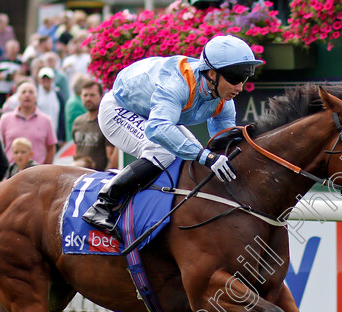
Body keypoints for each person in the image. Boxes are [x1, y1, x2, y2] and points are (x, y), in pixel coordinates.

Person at [82, 35, 261, 232]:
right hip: (118, 109)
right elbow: (158, 128)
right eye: (234, 79)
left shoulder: (224, 99)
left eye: (244, 79)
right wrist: (206, 156)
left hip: (151, 112)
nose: (240, 87)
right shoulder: (177, 84)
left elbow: (222, 142)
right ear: (211, 74)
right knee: (164, 151)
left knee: (193, 156)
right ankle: (102, 204)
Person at [0, 81, 56, 165]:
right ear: (17, 97)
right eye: (23, 92)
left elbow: (51, 148)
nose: (27, 95)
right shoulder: (5, 119)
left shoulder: (46, 120)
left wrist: (45, 170)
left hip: (37, 172)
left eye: (31, 92)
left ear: (36, 97)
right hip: (12, 172)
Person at [71, 80, 117, 171]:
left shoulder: (105, 122)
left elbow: (111, 158)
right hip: (78, 174)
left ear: (101, 97)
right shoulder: (78, 122)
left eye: (92, 95)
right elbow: (76, 152)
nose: (88, 98)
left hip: (98, 176)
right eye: (85, 95)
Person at [35, 67, 64, 142]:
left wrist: (62, 137)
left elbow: (61, 115)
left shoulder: (58, 94)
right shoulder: (35, 95)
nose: (46, 81)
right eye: (43, 79)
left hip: (55, 133)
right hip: (39, 133)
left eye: (48, 78)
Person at [0, 39, 21, 106]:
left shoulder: (20, 62)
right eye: (10, 48)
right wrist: (5, 76)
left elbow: (21, 75)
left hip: (14, 91)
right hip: (1, 91)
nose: (12, 50)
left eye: (14, 48)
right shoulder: (1, 61)